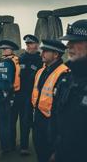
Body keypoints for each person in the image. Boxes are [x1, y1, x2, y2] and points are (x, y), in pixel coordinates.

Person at [52, 20, 87, 162]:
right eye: (68, 41)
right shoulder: (67, 78)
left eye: (75, 41)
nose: (68, 46)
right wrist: (57, 152)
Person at [31, 40, 68, 162]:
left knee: (51, 154)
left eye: (45, 51)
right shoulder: (41, 71)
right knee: (40, 153)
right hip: (38, 118)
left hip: (52, 122)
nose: (41, 54)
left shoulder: (64, 73)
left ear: (56, 54)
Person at [0, 39, 20, 157]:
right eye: (2, 49)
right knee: (9, 122)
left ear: (11, 50)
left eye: (5, 49)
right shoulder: (15, 61)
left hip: (5, 96)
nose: (3, 51)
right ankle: (10, 145)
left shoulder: (7, 63)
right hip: (12, 95)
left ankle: (4, 148)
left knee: (3, 123)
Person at [12, 34, 42, 155]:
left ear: (37, 45)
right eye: (27, 44)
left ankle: (24, 147)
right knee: (12, 120)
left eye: (31, 44)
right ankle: (11, 145)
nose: (29, 46)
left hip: (30, 97)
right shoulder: (20, 59)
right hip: (17, 95)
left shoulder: (40, 60)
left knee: (26, 121)